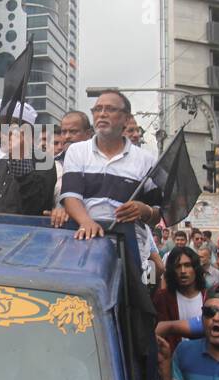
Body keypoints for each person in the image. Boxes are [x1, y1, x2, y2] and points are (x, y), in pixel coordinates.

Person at [58, 89, 161, 263]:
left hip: (130, 249)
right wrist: (86, 222)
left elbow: (157, 214)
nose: (102, 114)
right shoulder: (77, 151)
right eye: (97, 109)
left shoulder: (147, 160)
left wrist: (144, 210)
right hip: (84, 243)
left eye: (110, 109)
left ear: (126, 119)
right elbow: (71, 197)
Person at [152, 246, 206, 351]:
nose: (183, 271)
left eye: (187, 265)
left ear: (195, 268)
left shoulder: (208, 297)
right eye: (178, 266)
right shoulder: (162, 299)